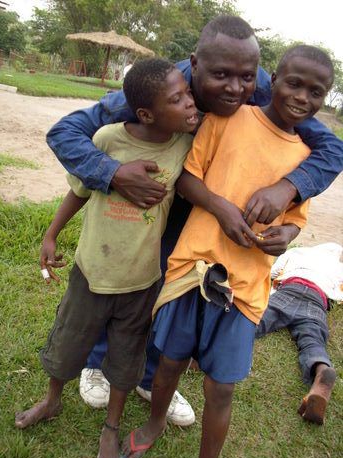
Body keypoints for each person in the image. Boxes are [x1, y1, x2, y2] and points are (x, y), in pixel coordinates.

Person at [46, 14, 343, 420]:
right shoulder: (162, 86)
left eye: (247, 77)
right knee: (122, 277)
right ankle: (98, 362)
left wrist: (287, 188)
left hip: (204, 210)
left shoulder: (261, 90)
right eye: (220, 74)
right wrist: (112, 173)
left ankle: (151, 378)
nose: (236, 89)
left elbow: (332, 150)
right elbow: (65, 132)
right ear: (195, 64)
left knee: (169, 290)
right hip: (154, 194)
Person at [119, 41, 335, 458]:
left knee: (221, 387)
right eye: (293, 83)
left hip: (245, 286)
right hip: (192, 268)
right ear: (270, 80)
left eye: (316, 92)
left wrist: (284, 237)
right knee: (170, 362)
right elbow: (187, 179)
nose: (301, 97)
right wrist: (222, 208)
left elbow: (296, 221)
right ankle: (155, 421)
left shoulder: (305, 162)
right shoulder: (228, 119)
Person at [15, 58, 199, 458]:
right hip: (90, 270)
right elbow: (79, 191)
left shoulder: (184, 146)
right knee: (68, 341)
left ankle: (111, 429)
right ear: (146, 113)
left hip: (141, 281)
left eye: (187, 92)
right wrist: (51, 234)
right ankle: (52, 399)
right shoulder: (106, 139)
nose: (190, 102)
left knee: (127, 356)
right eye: (178, 98)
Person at [256, 242, 343, 425]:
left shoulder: (297, 252)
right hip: (317, 300)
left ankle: (208, 352)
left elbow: (272, 272)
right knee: (312, 341)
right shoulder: (338, 267)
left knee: (255, 323)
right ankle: (321, 368)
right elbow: (339, 293)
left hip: (289, 289)